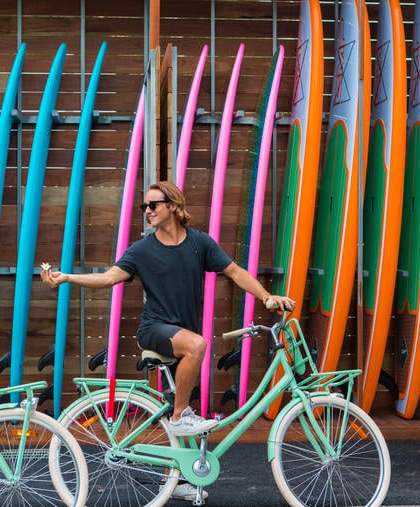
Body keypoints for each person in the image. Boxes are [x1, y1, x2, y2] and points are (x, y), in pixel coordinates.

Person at [40, 181, 294, 437]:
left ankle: (179, 475)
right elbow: (108, 278)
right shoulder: (141, 250)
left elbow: (235, 272)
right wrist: (68, 278)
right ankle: (180, 415)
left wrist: (265, 296)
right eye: (144, 206)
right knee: (195, 352)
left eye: (153, 205)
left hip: (182, 333)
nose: (148, 210)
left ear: (173, 206)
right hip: (154, 329)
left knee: (178, 401)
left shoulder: (199, 243)